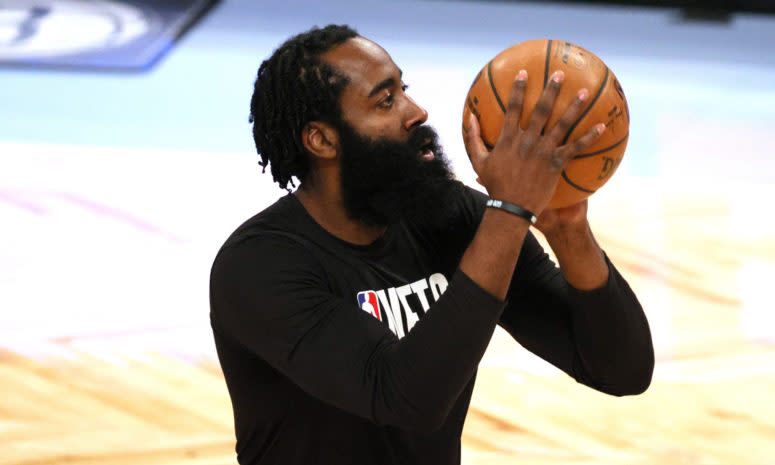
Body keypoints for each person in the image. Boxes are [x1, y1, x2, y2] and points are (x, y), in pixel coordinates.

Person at [209, 24, 654, 465]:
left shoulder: (450, 217)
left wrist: (565, 225)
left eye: (404, 89)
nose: (416, 111)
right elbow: (405, 399)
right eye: (386, 101)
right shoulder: (258, 266)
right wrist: (511, 211)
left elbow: (622, 370)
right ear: (322, 139)